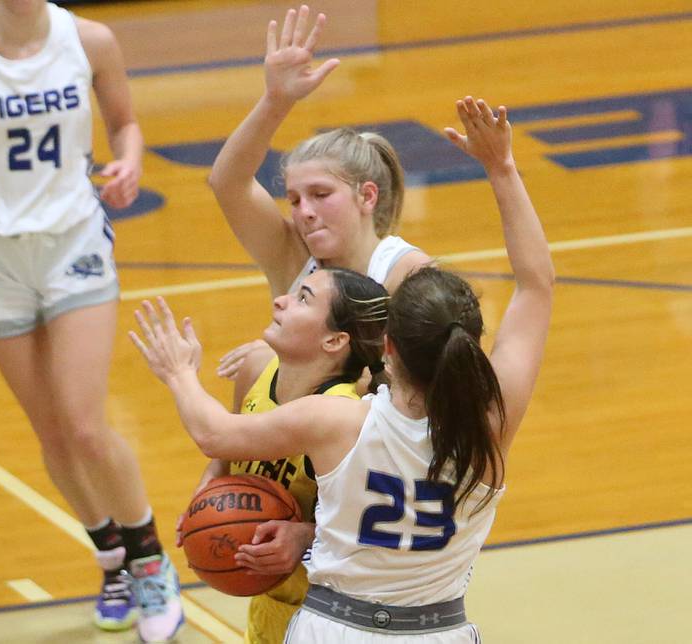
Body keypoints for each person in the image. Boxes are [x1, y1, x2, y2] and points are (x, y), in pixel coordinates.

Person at [131, 95, 554, 642]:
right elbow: (536, 284)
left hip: (334, 625)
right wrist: (504, 168)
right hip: (438, 629)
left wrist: (179, 371)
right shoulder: (490, 429)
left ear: (385, 348)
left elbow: (214, 433)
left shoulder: (340, 421)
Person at [0, 2, 182, 641]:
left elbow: (125, 125)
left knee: (85, 425)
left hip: (73, 246)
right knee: (54, 434)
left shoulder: (91, 39)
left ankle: (151, 562)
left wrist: (130, 163)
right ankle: (111, 560)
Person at [210, 4, 433, 381]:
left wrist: (284, 351)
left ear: (367, 196)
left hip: (372, 434)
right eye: (295, 200)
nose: (305, 212)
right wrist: (275, 101)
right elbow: (227, 182)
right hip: (305, 432)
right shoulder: (292, 253)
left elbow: (421, 385)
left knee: (262, 364)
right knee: (257, 372)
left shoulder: (407, 273)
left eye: (320, 194)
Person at [177, 266, 389, 644]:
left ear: (334, 341)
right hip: (270, 603)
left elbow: (381, 532)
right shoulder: (256, 369)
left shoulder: (345, 416)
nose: (280, 300)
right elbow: (226, 452)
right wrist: (207, 495)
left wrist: (305, 535)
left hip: (335, 613)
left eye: (302, 298)